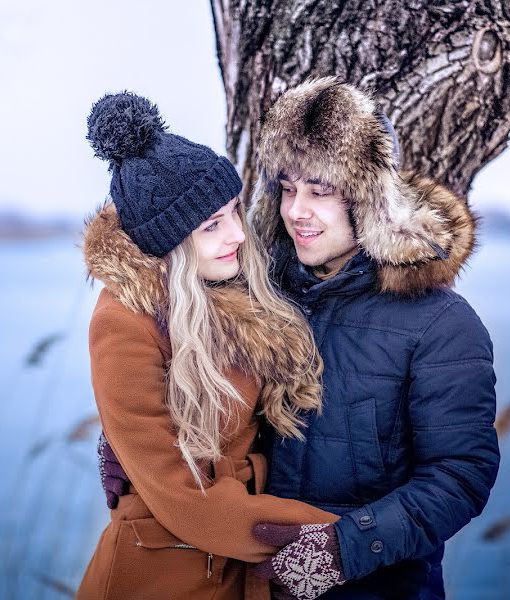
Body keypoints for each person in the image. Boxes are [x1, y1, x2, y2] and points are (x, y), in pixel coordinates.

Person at [101, 77, 500, 600]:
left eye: (320, 191)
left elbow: (460, 473)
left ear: (367, 199)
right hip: (251, 585)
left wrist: (346, 550)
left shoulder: (439, 323)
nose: (296, 211)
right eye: (288, 189)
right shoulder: (255, 294)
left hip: (373, 588)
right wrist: (132, 438)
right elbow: (186, 377)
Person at [77, 91, 345, 600]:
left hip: (236, 566)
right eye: (212, 225)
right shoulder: (123, 322)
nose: (239, 235)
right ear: (170, 243)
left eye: (234, 213)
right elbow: (180, 495)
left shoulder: (233, 292)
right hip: (160, 573)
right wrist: (336, 537)